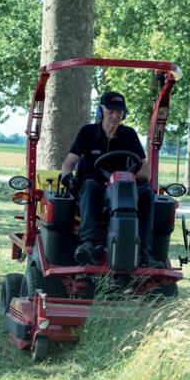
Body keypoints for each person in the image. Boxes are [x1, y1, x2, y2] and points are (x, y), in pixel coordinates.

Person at [59, 91, 159, 267]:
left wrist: (135, 176)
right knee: (89, 186)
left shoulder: (129, 134)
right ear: (101, 111)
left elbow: (144, 167)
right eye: (111, 112)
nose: (115, 116)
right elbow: (69, 163)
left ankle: (144, 252)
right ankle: (88, 244)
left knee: (147, 195)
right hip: (95, 186)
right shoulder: (87, 132)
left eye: (119, 113)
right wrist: (67, 177)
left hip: (123, 188)